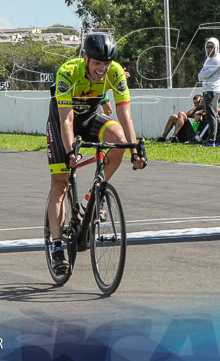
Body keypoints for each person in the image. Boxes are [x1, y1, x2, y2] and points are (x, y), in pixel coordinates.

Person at [45, 32, 145, 273]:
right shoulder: (68, 72)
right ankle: (57, 245)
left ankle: (92, 196)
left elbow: (124, 115)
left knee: (119, 141)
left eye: (106, 64)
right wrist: (71, 152)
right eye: (97, 63)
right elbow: (66, 120)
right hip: (63, 119)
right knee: (61, 182)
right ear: (85, 58)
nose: (102, 69)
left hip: (90, 116)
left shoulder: (116, 72)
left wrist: (134, 151)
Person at [198, 37, 220, 144]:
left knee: (211, 116)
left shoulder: (217, 59)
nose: (209, 49)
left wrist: (203, 74)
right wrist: (202, 74)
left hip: (212, 91)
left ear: (216, 47)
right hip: (207, 90)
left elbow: (203, 75)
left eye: (212, 47)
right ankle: (219, 138)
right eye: (208, 47)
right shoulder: (208, 59)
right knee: (214, 116)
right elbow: (200, 75)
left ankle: (212, 140)